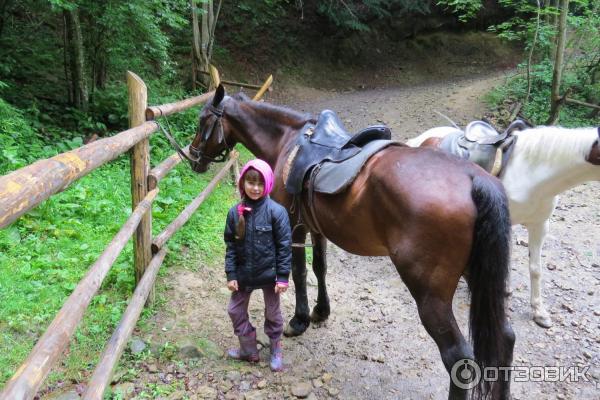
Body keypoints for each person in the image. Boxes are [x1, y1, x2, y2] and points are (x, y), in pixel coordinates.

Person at [224, 158, 292, 372]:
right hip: (244, 274)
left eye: (260, 183)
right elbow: (231, 247)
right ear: (242, 182)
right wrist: (231, 274)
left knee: (273, 313)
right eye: (251, 182)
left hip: (270, 276)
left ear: (268, 184)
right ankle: (248, 348)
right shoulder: (235, 213)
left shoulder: (276, 212)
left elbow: (284, 247)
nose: (255, 188)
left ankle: (275, 348)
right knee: (235, 310)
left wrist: (282, 277)